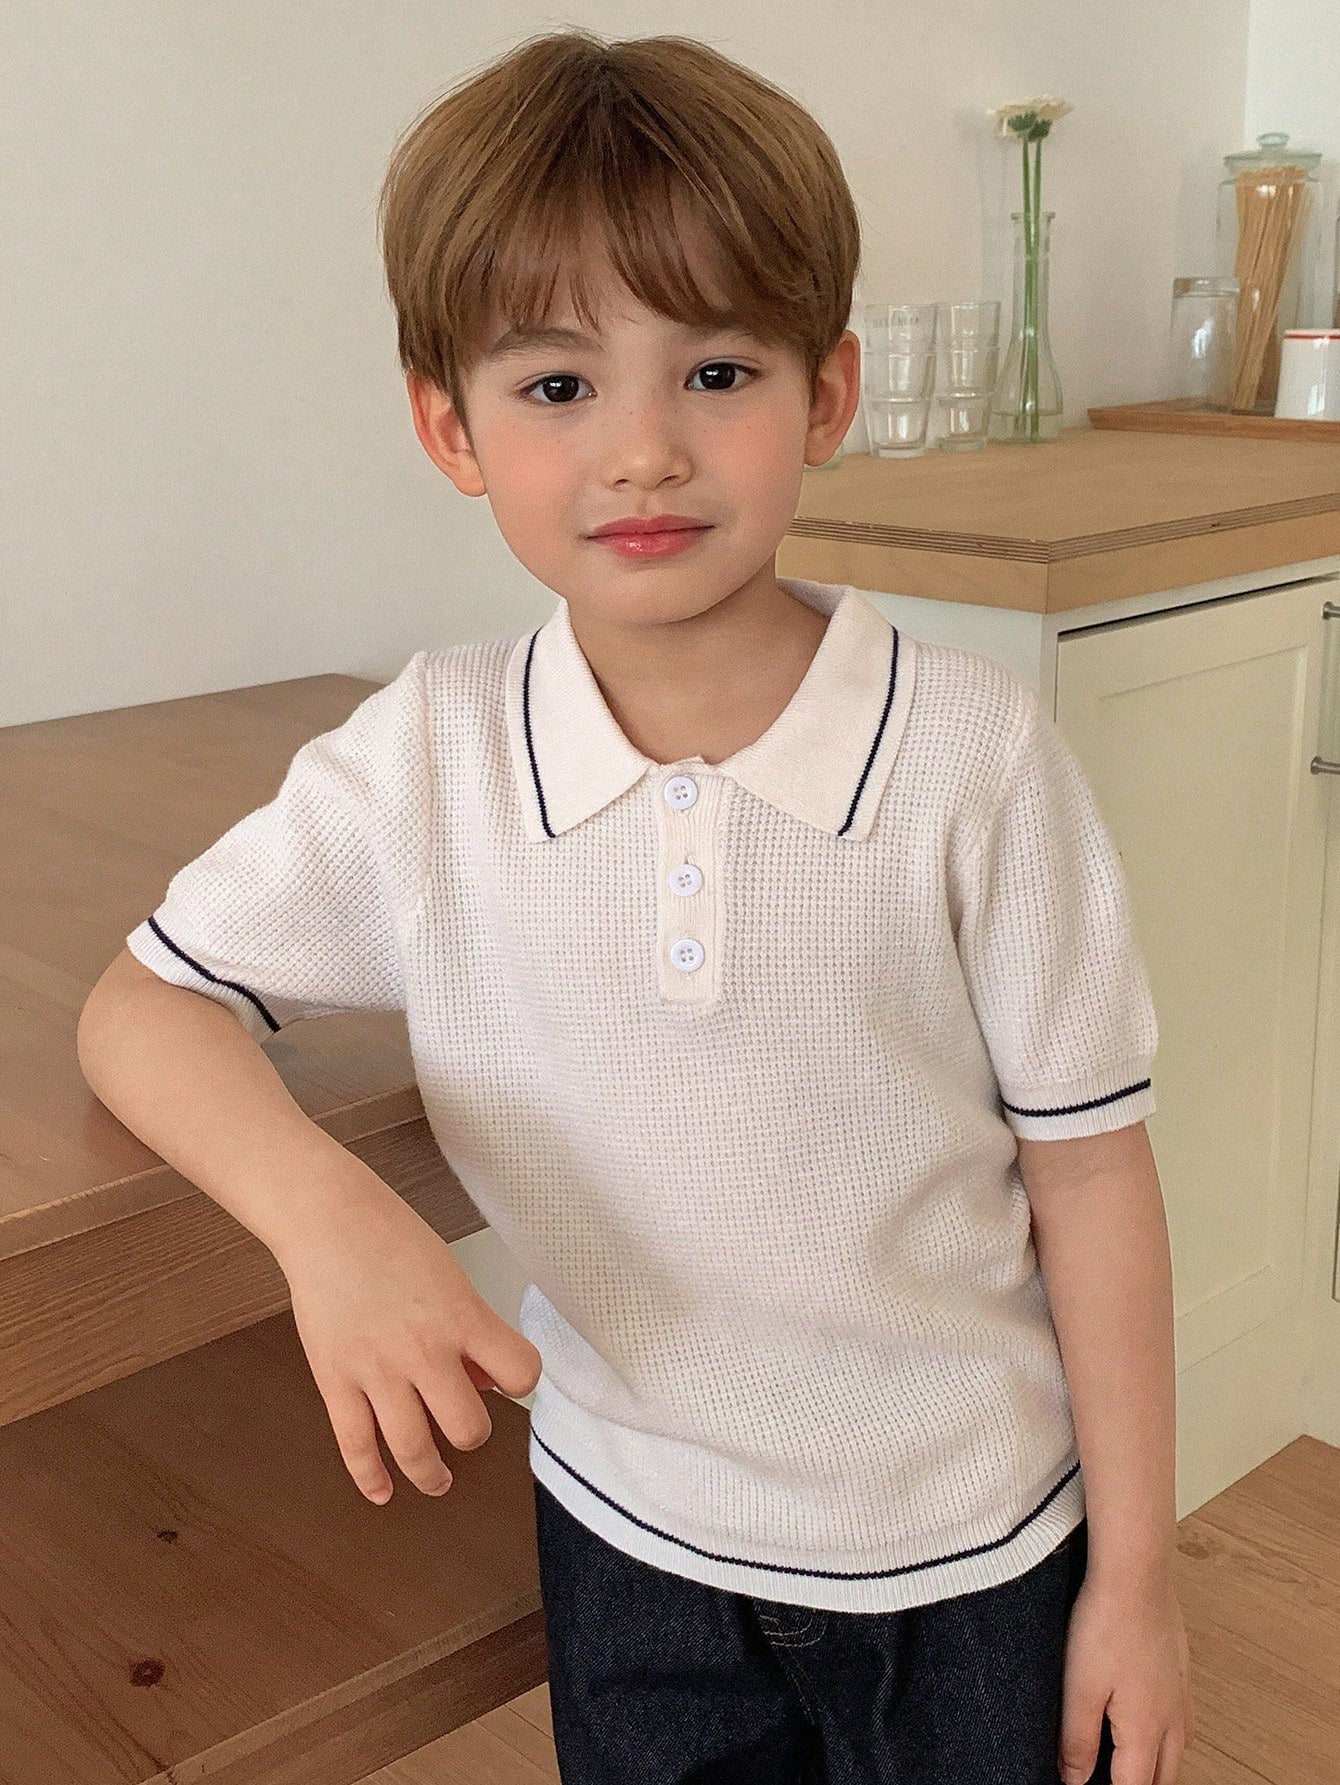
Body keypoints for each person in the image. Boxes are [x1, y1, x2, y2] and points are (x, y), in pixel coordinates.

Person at [78, 26, 1195, 1785]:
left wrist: (1139, 1580)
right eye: (557, 386)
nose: (647, 451)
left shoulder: (973, 759)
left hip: (974, 1556)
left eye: (718, 371)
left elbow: (1095, 1178)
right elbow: (141, 1007)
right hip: (630, 1547)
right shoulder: (428, 761)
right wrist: (331, 1221)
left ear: (826, 395)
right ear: (448, 425)